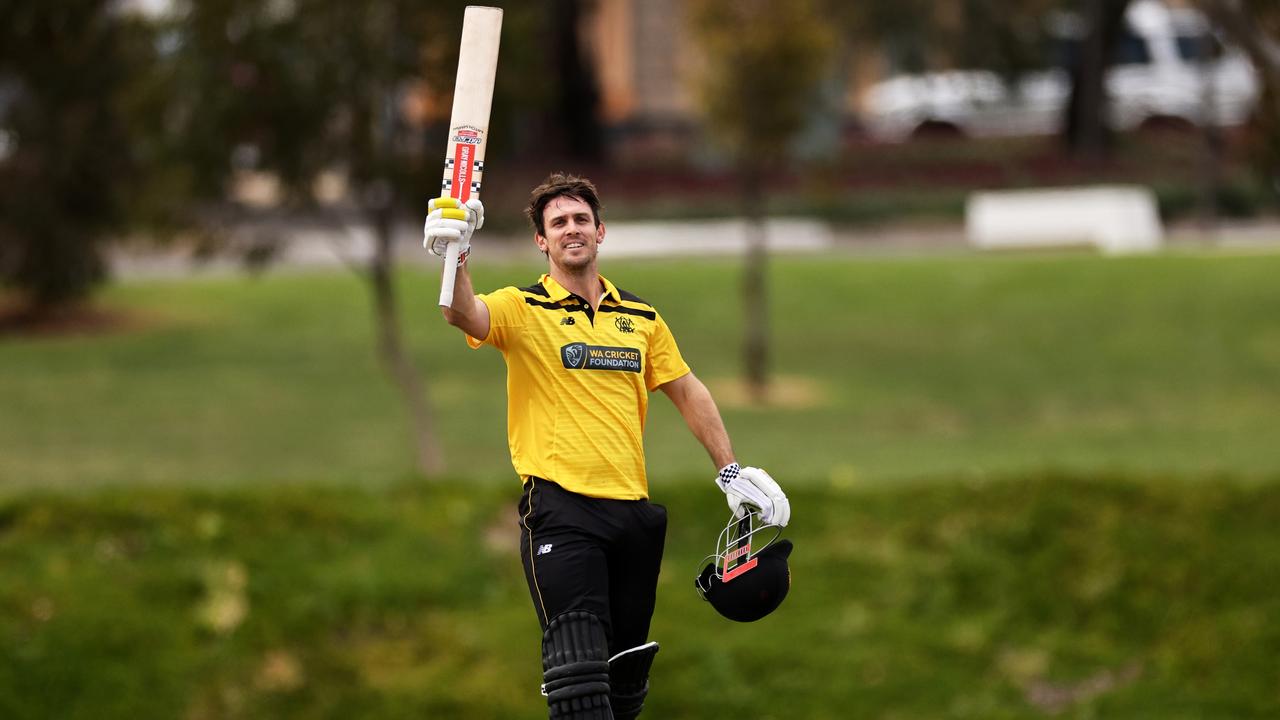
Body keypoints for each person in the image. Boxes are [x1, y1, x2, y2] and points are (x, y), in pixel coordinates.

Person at [424, 173, 790, 720]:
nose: (571, 230)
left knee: (623, 686)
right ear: (541, 242)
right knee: (578, 682)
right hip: (561, 511)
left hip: (632, 516)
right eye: (557, 223)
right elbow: (461, 312)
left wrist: (730, 470)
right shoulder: (523, 308)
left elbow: (686, 389)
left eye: (579, 220)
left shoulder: (640, 317)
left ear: (600, 232)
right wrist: (456, 250)